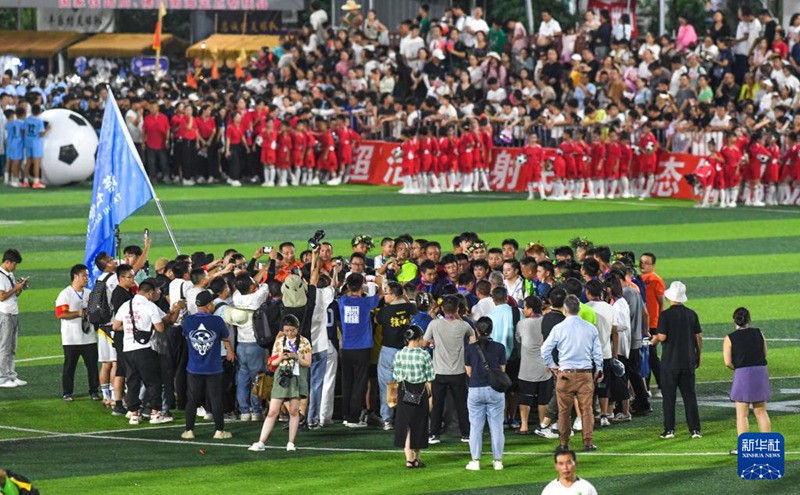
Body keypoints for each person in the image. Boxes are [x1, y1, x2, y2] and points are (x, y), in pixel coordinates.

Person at [112, 278, 183, 425]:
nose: (158, 293)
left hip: (128, 349)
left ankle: (134, 415)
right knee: (153, 382)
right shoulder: (149, 306)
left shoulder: (126, 305)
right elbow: (161, 328)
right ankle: (155, 414)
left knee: (132, 382)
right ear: (150, 293)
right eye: (156, 291)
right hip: (145, 349)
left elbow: (115, 326)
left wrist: (130, 329)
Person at [540, 295, 603, 452]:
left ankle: (564, 443)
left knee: (564, 411)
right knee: (586, 410)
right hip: (585, 373)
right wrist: (599, 368)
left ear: (564, 309)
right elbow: (597, 352)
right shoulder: (590, 328)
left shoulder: (559, 328)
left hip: (565, 374)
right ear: (579, 309)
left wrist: (553, 366)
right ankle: (587, 442)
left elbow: (545, 350)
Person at [249, 314, 312, 452]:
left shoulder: (304, 342)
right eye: (287, 330)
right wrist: (281, 357)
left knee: (294, 411)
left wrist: (296, 357)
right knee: (272, 411)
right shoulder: (279, 341)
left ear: (297, 328)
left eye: (292, 330)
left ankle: (291, 442)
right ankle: (261, 442)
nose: (289, 333)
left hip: (296, 377)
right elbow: (272, 363)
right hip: (281, 376)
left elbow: (307, 363)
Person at [650, 281, 702, 439]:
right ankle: (695, 430)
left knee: (669, 398)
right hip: (687, 361)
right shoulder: (691, 314)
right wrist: (698, 355)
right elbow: (698, 337)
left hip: (669, 363)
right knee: (689, 396)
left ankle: (669, 430)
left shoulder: (665, 315)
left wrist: (653, 341)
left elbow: (662, 336)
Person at [181, 290, 235, 440]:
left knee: (192, 399)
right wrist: (230, 350)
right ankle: (219, 431)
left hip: (194, 367)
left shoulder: (188, 321)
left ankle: (189, 431)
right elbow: (225, 335)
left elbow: (186, 335)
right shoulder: (217, 321)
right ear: (209, 305)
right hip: (214, 367)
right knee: (216, 398)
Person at [423, 295, 475, 444]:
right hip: (458, 372)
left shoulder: (434, 324)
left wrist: (434, 342)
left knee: (437, 404)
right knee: (461, 405)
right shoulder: (463, 325)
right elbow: (473, 340)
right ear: (458, 309)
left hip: (439, 372)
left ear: (442, 309)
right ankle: (466, 434)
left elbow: (425, 343)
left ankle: (434, 434)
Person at [724, 307, 770, 455]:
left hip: (742, 373)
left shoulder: (730, 337)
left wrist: (739, 370)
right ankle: (767, 445)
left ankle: (744, 447)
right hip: (760, 371)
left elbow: (727, 362)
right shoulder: (758, 333)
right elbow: (764, 353)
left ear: (734, 320)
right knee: (761, 411)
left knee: (742, 414)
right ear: (748, 319)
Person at [464, 316, 507, 471]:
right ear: (491, 330)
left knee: (475, 427)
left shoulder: (469, 349)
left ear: (477, 330)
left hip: (475, 389)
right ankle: (498, 461)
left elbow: (468, 371)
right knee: (496, 427)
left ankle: (475, 461)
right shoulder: (499, 347)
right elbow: (502, 371)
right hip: (495, 390)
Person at [391, 325, 434, 469]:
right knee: (419, 424)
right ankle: (416, 458)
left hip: (404, 390)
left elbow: (396, 376)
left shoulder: (399, 354)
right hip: (420, 391)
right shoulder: (424, 355)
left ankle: (409, 458)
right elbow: (430, 377)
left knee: (406, 425)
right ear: (419, 338)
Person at [55, 264, 99, 402]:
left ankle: (94, 391)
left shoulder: (89, 293)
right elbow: (60, 314)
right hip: (71, 338)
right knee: (69, 367)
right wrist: (78, 313)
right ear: (75, 276)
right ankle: (67, 392)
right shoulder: (65, 294)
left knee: (92, 367)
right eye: (84, 275)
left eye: (87, 275)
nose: (87, 278)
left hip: (89, 337)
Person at [0, 249, 28, 388]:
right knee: (4, 347)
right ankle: (2, 378)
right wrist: (15, 287)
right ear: (7, 262)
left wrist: (20, 288)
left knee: (12, 347)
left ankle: (11, 375)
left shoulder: (9, 274)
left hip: (13, 313)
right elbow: (1, 297)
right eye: (15, 264)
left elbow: (13, 296)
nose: (15, 267)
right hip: (4, 315)